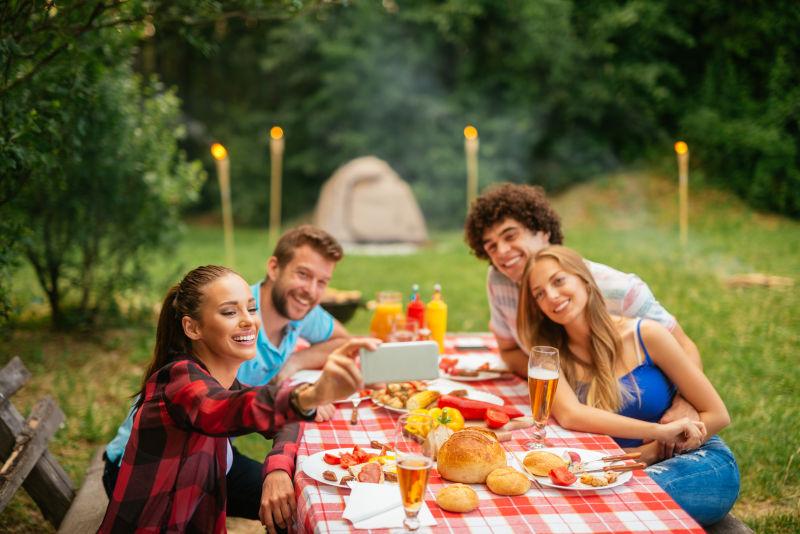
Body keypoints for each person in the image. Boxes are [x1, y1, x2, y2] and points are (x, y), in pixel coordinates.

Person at [102, 225, 350, 529]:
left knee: (292, 503)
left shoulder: (224, 377)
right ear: (193, 328)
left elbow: (278, 418)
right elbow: (229, 409)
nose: (248, 320)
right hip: (151, 498)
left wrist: (278, 469)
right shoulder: (181, 381)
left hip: (207, 468)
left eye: (251, 309)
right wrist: (307, 396)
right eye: (230, 312)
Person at [464, 183, 701, 458]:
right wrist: (554, 376)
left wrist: (686, 402)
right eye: (491, 246)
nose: (502, 252)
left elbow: (684, 345)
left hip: (646, 415)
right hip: (581, 414)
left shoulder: (618, 288)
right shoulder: (499, 280)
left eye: (510, 235)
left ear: (542, 231)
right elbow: (507, 350)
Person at [518, 246, 739, 525]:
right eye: (539, 293)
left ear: (584, 280)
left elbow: (718, 414)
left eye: (559, 280)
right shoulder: (551, 354)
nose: (551, 296)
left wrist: (666, 445)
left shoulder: (646, 334)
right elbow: (571, 414)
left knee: (617, 507)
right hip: (622, 467)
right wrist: (654, 440)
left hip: (697, 461)